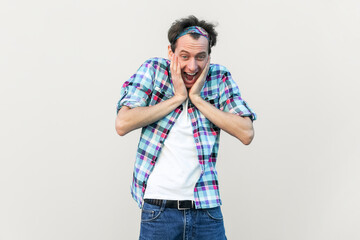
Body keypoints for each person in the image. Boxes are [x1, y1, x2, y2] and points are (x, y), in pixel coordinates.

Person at [115, 15, 256, 240]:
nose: (193, 66)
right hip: (159, 210)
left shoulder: (219, 77)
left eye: (201, 57)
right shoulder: (154, 70)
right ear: (171, 53)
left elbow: (246, 132)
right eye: (185, 56)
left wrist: (197, 99)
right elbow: (123, 123)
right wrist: (179, 97)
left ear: (209, 56)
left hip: (206, 209)